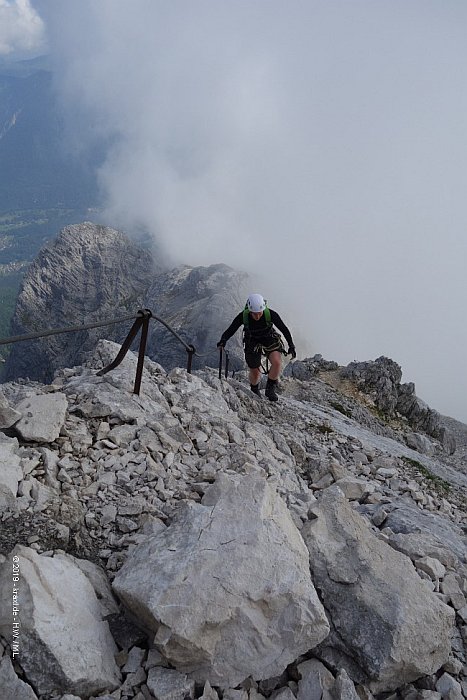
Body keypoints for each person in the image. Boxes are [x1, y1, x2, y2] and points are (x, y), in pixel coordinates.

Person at [217, 293, 296, 401]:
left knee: (277, 362)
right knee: (255, 370)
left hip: (268, 337)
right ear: (249, 311)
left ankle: (270, 389)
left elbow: (284, 329)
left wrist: (291, 346)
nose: (258, 316)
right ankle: (254, 388)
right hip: (252, 340)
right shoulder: (243, 316)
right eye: (254, 314)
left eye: (259, 313)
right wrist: (223, 340)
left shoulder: (270, 314)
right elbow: (231, 329)